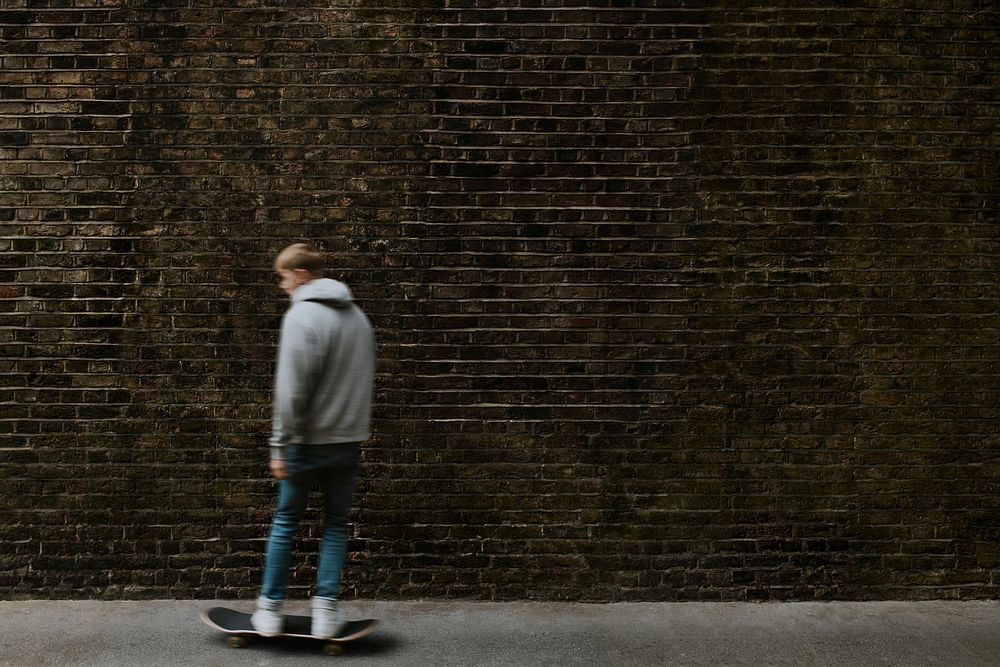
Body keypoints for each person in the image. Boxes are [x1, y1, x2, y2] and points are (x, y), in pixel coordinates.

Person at [251, 243, 376, 638]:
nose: (282, 285)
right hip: (346, 444)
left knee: (286, 522)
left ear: (302, 274)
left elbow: (291, 392)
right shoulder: (358, 317)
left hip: (305, 444)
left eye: (284, 277)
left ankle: (269, 613)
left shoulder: (301, 316)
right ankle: (325, 615)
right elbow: (363, 383)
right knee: (336, 524)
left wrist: (279, 445)